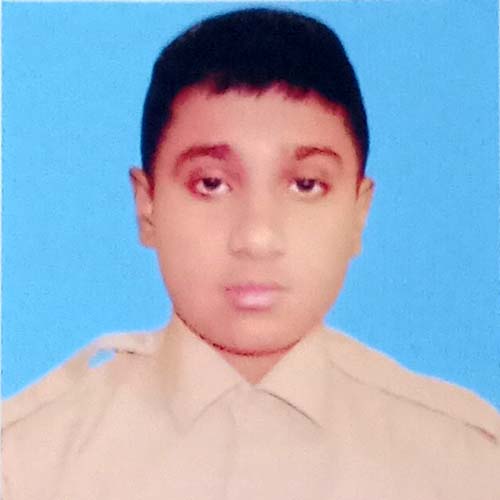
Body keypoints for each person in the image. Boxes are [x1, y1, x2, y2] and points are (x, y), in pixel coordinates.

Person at [3, 7, 499, 500]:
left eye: (306, 185)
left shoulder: (463, 465)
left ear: (358, 212)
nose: (257, 237)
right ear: (147, 206)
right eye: (211, 184)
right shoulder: (27, 461)